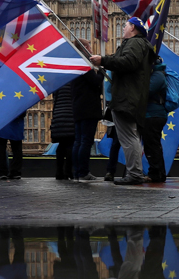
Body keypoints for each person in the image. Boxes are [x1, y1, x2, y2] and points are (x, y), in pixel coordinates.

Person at [90, 17, 154, 186]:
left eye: (125, 25)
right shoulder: (138, 44)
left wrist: (104, 61)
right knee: (131, 137)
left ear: (133, 27)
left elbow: (128, 62)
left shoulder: (135, 43)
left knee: (128, 138)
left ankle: (134, 174)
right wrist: (104, 61)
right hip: (131, 97)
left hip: (127, 98)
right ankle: (136, 173)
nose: (123, 28)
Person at [71, 40, 104, 181]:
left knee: (78, 141)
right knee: (86, 141)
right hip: (88, 108)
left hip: (78, 108)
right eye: (89, 46)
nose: (90, 49)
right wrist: (103, 70)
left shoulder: (74, 64)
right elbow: (96, 81)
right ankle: (83, 172)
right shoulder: (83, 64)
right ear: (84, 48)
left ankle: (77, 172)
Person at [142, 57, 168, 183]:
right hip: (151, 114)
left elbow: (146, 91)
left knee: (152, 146)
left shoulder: (158, 75)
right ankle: (156, 173)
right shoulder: (156, 74)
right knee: (151, 145)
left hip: (154, 114)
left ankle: (157, 174)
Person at [50, 81, 76, 180]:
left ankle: (59, 172)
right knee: (70, 146)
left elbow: (55, 99)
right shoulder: (74, 82)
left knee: (61, 147)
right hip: (70, 116)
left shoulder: (58, 83)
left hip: (58, 116)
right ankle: (68, 172)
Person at [0, 113, 25, 180]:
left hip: (1, 122)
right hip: (16, 122)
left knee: (0, 148)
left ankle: (2, 172)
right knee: (17, 149)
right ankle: (15, 172)